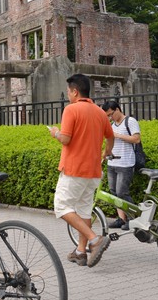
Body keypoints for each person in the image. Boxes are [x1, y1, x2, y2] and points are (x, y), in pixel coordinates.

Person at [49, 73, 114, 268]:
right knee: (84, 210)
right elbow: (111, 138)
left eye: (69, 91)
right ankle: (80, 251)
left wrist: (55, 133)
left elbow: (66, 139)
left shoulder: (71, 110)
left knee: (61, 207)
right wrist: (105, 153)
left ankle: (95, 240)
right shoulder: (100, 112)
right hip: (93, 171)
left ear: (75, 92)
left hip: (74, 169)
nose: (68, 95)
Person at [101, 100, 141, 230]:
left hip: (126, 163)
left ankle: (133, 219)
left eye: (111, 114)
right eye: (108, 116)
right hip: (112, 162)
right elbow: (109, 144)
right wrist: (103, 156)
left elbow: (136, 139)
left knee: (122, 192)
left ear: (117, 109)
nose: (110, 118)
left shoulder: (130, 121)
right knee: (113, 193)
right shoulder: (111, 125)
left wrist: (118, 135)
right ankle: (121, 219)